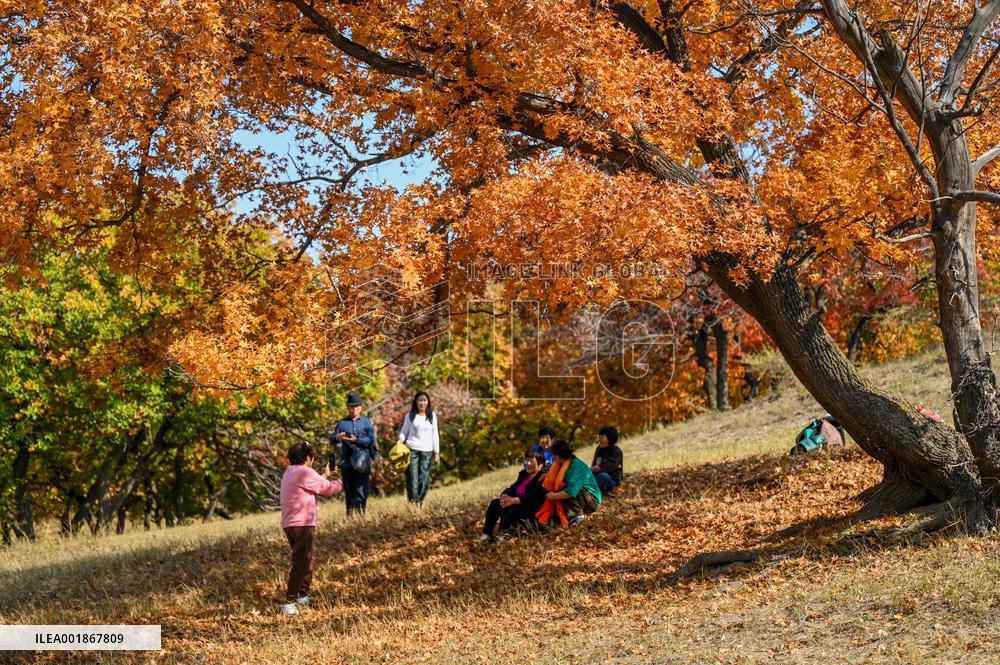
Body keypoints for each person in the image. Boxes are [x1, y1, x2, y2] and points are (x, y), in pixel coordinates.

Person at [279, 442, 343, 616]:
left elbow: (311, 484)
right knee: (301, 562)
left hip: (290, 523)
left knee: (307, 558)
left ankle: (302, 595)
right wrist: (342, 483)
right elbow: (327, 489)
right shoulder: (305, 471)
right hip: (303, 523)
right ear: (308, 458)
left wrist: (325, 474)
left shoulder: (290, 472)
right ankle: (289, 602)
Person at [480, 449, 548, 542]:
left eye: (531, 461)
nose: (528, 463)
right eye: (526, 460)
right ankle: (486, 534)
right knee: (495, 503)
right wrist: (504, 495)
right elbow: (512, 488)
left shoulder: (542, 477)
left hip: (529, 512)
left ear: (540, 464)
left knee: (509, 507)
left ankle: (503, 535)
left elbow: (533, 496)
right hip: (516, 506)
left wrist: (513, 501)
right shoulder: (524, 475)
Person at [331, 391, 379, 516]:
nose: (354, 409)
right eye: (352, 406)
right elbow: (332, 440)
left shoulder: (367, 422)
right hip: (347, 461)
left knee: (362, 488)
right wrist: (338, 437)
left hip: (363, 459)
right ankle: (350, 514)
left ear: (361, 407)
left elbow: (371, 440)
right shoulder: (342, 423)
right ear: (348, 407)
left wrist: (356, 440)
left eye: (356, 406)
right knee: (349, 488)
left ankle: (361, 513)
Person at [537, 439, 601, 527]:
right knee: (559, 490)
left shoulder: (576, 467)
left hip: (592, 501)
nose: (552, 458)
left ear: (558, 457)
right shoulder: (562, 463)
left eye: (553, 455)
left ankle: (578, 516)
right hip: (579, 498)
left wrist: (553, 496)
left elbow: (571, 492)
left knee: (565, 490)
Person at [397, 391, 440, 506]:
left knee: (424, 480)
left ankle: (419, 502)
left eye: (424, 400)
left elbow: (435, 434)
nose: (422, 403)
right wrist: (399, 442)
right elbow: (404, 431)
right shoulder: (410, 415)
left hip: (427, 451)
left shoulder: (432, 416)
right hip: (412, 450)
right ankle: (413, 504)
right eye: (420, 400)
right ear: (416, 402)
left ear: (428, 402)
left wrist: (437, 453)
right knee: (412, 479)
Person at [591, 425, 623, 494]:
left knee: (603, 476)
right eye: (599, 437)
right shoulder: (599, 449)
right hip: (598, 477)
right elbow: (594, 466)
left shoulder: (616, 452)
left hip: (611, 481)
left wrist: (588, 469)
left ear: (610, 439)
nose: (599, 440)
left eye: (602, 437)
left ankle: (591, 492)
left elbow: (603, 467)